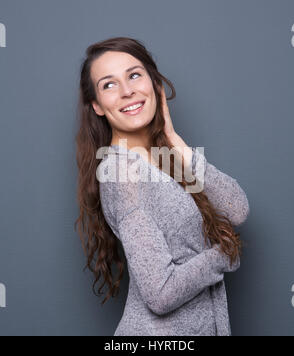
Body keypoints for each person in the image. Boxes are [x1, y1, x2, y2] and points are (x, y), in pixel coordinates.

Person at [74, 36, 250, 336]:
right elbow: (161, 292)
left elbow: (237, 210)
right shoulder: (121, 175)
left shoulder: (165, 157)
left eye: (134, 75)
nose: (127, 91)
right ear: (97, 106)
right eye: (109, 84)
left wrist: (179, 146)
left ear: (154, 85)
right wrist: (224, 254)